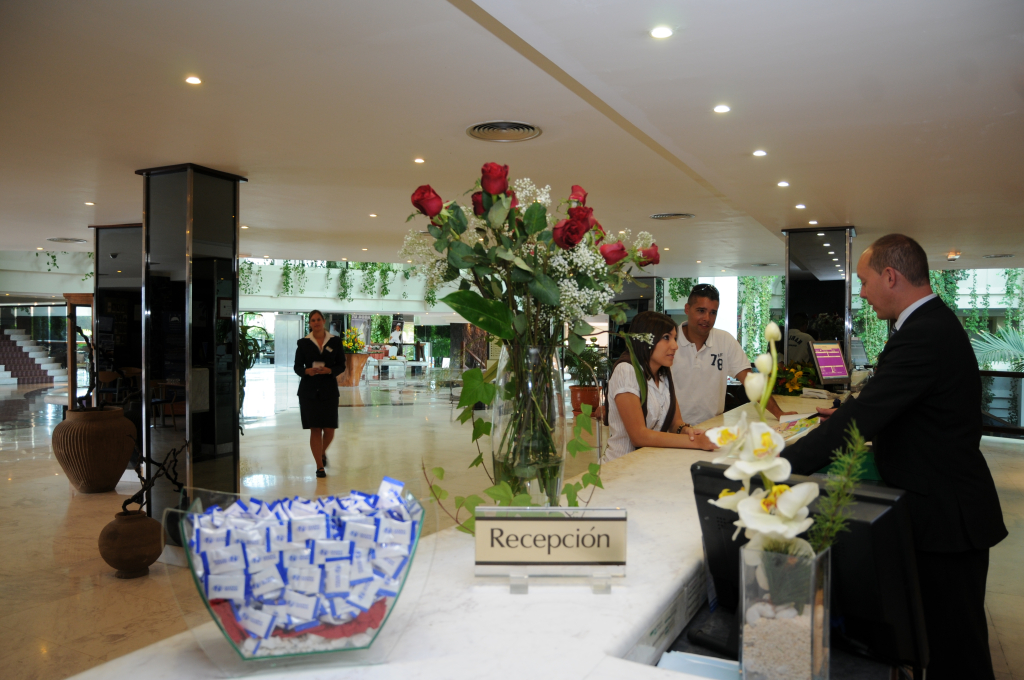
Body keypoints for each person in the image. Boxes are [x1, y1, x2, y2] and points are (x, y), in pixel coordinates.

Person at [782, 234, 1006, 679]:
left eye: (864, 281)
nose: (862, 293)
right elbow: (895, 404)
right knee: (939, 641)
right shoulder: (929, 324)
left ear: (890, 277)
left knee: (957, 653)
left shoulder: (923, 333)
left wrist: (780, 466)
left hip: (946, 517)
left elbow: (862, 419)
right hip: (940, 508)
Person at [671, 283, 793, 426]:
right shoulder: (669, 341)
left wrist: (779, 414)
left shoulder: (725, 340)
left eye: (713, 312)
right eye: (701, 310)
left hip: (712, 427)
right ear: (687, 309)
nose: (707, 318)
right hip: (673, 429)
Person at [605, 311, 716, 462]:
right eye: (666, 337)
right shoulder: (627, 370)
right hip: (621, 466)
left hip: (650, 462)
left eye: (674, 338)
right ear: (645, 340)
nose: (675, 346)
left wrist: (687, 431)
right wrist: (697, 442)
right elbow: (639, 436)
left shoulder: (664, 373)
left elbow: (675, 423)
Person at [294, 310, 345, 478]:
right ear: (310, 323)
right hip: (309, 391)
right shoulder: (303, 343)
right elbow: (297, 367)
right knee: (315, 429)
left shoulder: (335, 341)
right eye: (312, 320)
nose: (315, 322)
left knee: (329, 429)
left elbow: (341, 365)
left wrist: (330, 370)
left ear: (323, 321)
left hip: (329, 390)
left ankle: (322, 452)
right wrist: (306, 371)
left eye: (318, 319)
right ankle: (319, 466)